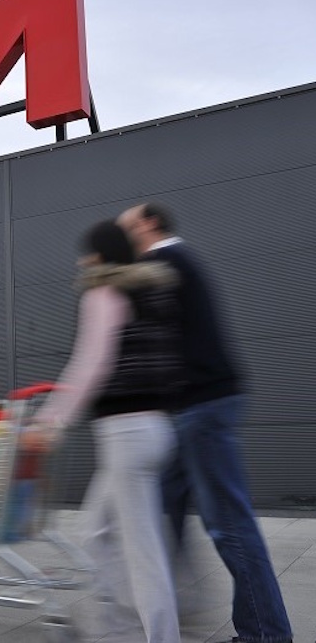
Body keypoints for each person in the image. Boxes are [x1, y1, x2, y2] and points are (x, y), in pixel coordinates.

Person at [117, 202, 293, 643]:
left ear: (150, 223)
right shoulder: (176, 263)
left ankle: (266, 634)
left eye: (127, 227)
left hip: (203, 408)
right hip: (190, 410)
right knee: (163, 509)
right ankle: (174, 606)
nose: (124, 236)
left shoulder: (167, 261)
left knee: (228, 523)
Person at [25, 219, 182, 643]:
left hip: (126, 433)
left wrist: (49, 423)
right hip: (155, 428)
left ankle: (160, 636)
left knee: (142, 551)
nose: (83, 261)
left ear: (101, 255)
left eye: (88, 253)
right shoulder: (152, 292)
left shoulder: (103, 292)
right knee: (95, 532)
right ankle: (117, 629)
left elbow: (92, 362)